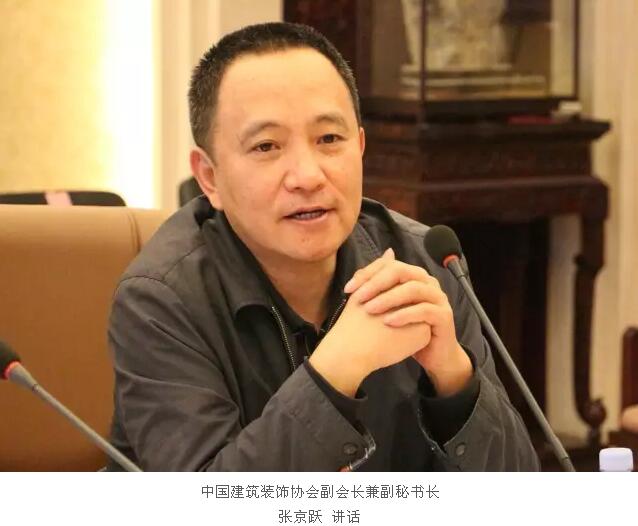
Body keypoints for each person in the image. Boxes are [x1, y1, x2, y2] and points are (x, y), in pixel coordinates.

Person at [107, 22, 539, 471]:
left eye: (329, 139)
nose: (308, 176)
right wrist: (336, 369)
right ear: (209, 177)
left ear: (361, 147)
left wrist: (454, 376)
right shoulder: (159, 302)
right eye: (266, 146)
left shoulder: (425, 262)